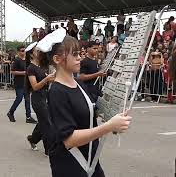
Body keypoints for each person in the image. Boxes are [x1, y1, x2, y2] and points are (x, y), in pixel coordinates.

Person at [37, 28, 131, 177]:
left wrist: (115, 117)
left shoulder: (78, 84)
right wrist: (108, 126)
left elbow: (91, 111)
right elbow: (69, 140)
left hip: (90, 160)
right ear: (57, 59)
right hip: (71, 165)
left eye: (79, 53)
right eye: (74, 54)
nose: (79, 57)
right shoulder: (57, 92)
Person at [24, 42, 55, 155]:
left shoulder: (41, 66)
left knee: (43, 122)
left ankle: (32, 139)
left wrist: (52, 77)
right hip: (38, 98)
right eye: (37, 50)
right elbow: (35, 86)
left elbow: (46, 81)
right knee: (47, 123)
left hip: (46, 95)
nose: (40, 52)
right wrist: (46, 79)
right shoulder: (30, 68)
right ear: (31, 54)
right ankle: (49, 149)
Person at [7, 45, 37, 124]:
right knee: (19, 98)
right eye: (22, 51)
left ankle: (28, 116)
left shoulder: (27, 60)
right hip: (19, 83)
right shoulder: (16, 60)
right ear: (18, 52)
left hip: (26, 83)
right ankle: (11, 112)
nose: (23, 52)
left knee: (27, 100)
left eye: (24, 50)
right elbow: (13, 71)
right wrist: (23, 73)